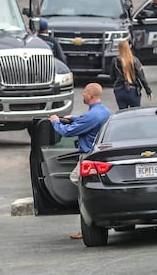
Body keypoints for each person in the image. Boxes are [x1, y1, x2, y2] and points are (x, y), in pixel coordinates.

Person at [48, 83, 111, 240]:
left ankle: (88, 221)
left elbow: (67, 131)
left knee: (78, 183)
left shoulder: (91, 116)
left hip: (87, 156)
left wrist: (55, 121)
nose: (82, 94)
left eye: (84, 92)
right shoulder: (104, 111)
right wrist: (75, 118)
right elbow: (88, 121)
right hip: (98, 155)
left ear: (90, 95)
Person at [110, 40, 153, 109]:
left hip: (119, 90)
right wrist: (148, 91)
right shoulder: (135, 60)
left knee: (122, 114)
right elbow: (142, 78)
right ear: (129, 47)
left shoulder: (115, 61)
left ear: (119, 49)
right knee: (135, 113)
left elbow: (112, 77)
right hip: (133, 91)